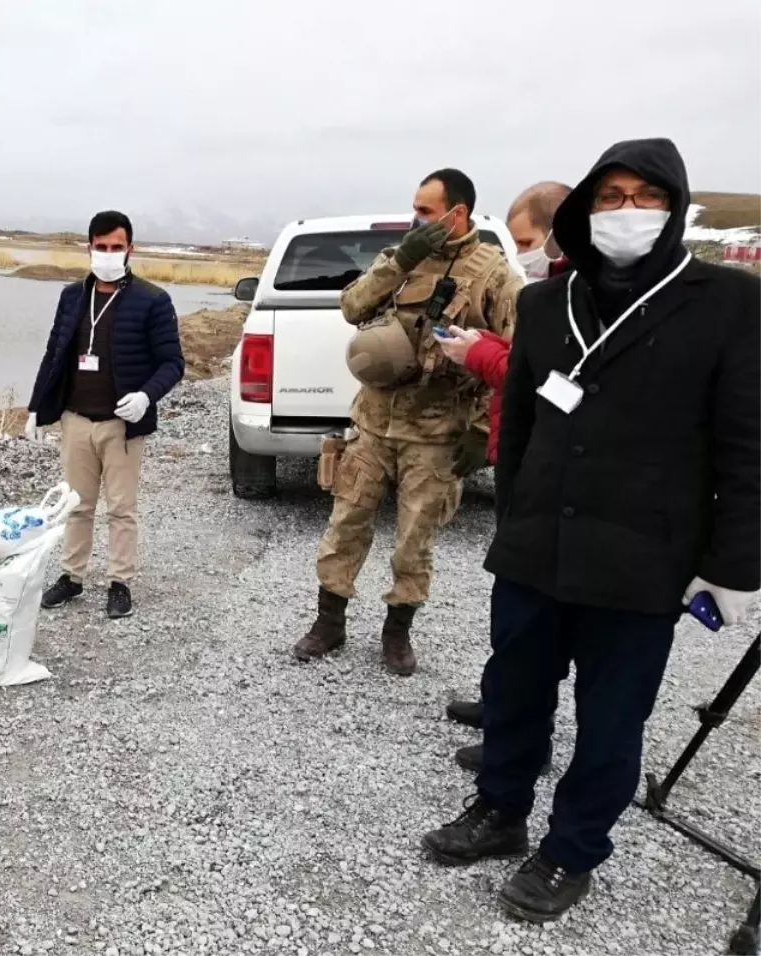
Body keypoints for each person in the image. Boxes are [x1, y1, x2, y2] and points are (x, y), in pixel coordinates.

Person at [421, 138, 761, 924]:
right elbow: (527, 426)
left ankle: (571, 848)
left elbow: (748, 447)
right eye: (610, 196)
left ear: (674, 208)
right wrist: (514, 516)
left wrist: (734, 566)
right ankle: (500, 812)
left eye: (645, 196)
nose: (626, 211)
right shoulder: (545, 304)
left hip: (643, 562)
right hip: (538, 547)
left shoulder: (728, 304)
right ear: (586, 209)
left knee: (611, 722)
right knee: (513, 691)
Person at [294, 168, 522, 675]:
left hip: (437, 433)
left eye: (424, 210)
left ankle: (397, 633)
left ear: (456, 213)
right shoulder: (398, 259)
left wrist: (482, 428)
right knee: (346, 521)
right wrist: (402, 261)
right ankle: (328, 622)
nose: (414, 217)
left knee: (415, 538)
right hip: (374, 422)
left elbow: (514, 357)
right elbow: (352, 306)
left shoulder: (495, 275)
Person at [435, 182, 573, 773]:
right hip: (521, 466)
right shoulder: (549, 293)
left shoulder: (573, 298)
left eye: (527, 242)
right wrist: (488, 344)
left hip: (547, 477)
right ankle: (504, 707)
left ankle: (522, 742)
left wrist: (480, 356)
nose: (520, 256)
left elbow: (550, 382)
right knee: (512, 614)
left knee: (532, 623)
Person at [24, 210, 185, 620]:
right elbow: (54, 354)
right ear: (90, 247)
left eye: (117, 247)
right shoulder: (72, 296)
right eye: (102, 247)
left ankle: (120, 582)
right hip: (76, 421)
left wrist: (147, 397)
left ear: (130, 248)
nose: (109, 254)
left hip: (123, 426)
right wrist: (37, 408)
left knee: (121, 508)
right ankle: (72, 577)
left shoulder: (152, 300)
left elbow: (172, 363)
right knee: (76, 506)